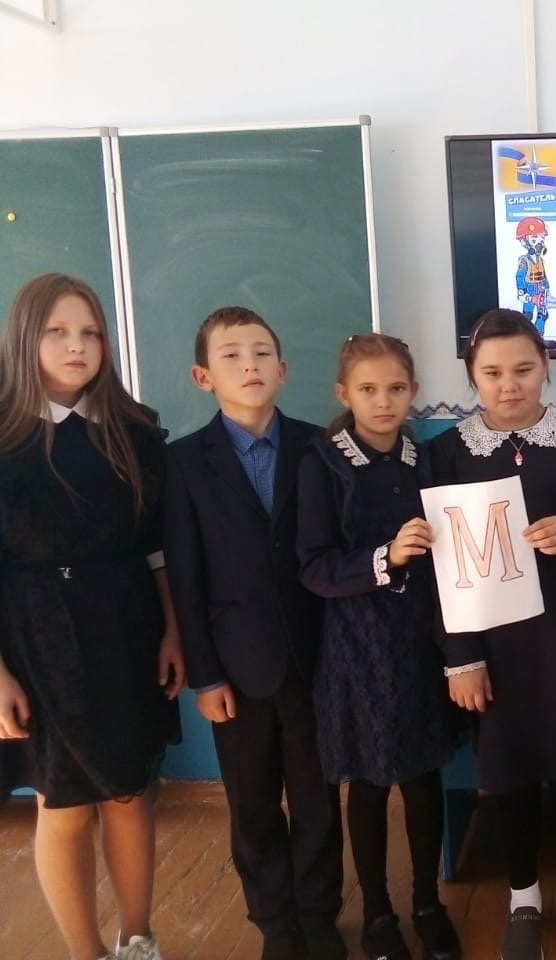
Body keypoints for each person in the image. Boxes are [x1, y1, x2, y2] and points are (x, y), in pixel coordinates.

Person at [429, 308, 556, 960]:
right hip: (494, 646)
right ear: (472, 376)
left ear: (546, 367)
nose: (508, 385)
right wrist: (461, 658)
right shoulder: (448, 452)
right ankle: (522, 898)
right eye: (492, 373)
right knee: (507, 773)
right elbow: (440, 569)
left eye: (522, 369)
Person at [0, 273, 184, 960]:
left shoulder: (134, 433)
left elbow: (157, 549)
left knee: (131, 793)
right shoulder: (4, 437)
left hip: (124, 628)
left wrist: (173, 630)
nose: (77, 346)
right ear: (26, 339)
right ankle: (87, 953)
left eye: (91, 333)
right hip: (35, 637)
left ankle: (138, 940)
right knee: (65, 802)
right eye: (58, 332)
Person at [164, 306, 345, 960]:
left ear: (284, 369)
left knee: (318, 799)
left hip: (318, 659)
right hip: (237, 669)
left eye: (263, 353)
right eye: (232, 355)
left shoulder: (320, 447)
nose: (250, 365)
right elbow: (185, 579)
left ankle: (319, 917)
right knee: (253, 805)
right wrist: (205, 675)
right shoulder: (183, 463)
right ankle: (276, 924)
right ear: (203, 376)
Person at [296, 335, 460, 960]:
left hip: (421, 640)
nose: (383, 401)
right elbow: (314, 567)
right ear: (344, 393)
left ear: (414, 391)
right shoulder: (323, 463)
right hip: (356, 650)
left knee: (422, 776)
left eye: (395, 388)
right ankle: (377, 914)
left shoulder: (427, 460)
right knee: (368, 783)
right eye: (368, 389)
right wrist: (385, 557)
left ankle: (427, 904)